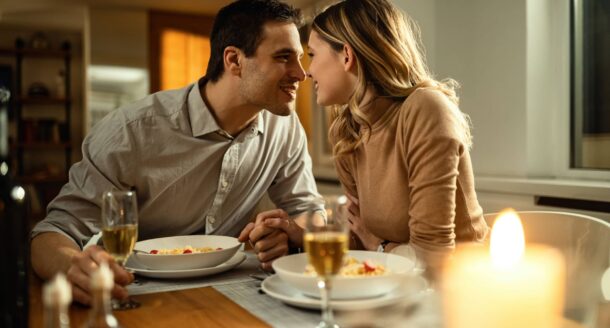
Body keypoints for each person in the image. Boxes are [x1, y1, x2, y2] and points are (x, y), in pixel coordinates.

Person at [30, 0, 323, 305]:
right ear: (234, 60)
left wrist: (288, 231)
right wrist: (69, 267)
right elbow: (52, 233)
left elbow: (309, 211)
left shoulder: (285, 130)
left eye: (300, 59)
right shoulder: (130, 131)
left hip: (235, 291)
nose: (301, 74)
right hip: (134, 292)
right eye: (283, 57)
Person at [272, 0, 489, 270]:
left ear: (347, 56)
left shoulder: (425, 110)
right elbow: (359, 236)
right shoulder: (348, 132)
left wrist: (378, 244)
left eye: (313, 55)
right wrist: (299, 235)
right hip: (392, 282)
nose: (307, 72)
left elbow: (432, 261)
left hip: (460, 288)